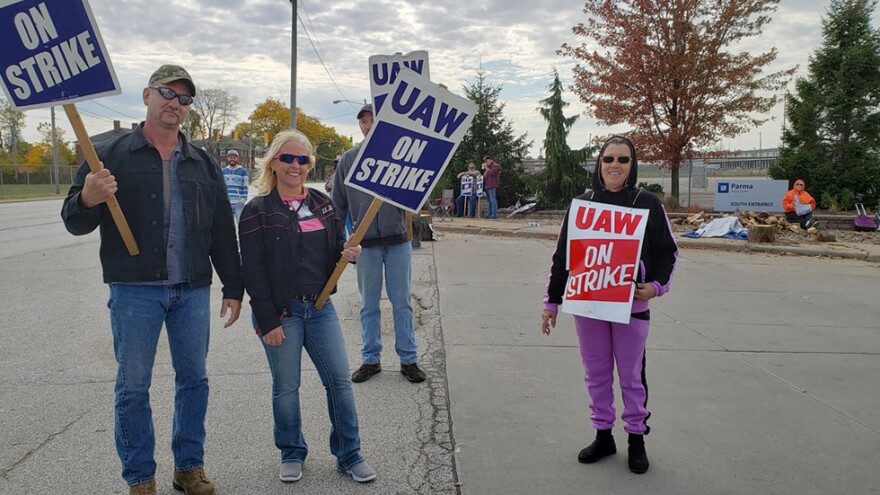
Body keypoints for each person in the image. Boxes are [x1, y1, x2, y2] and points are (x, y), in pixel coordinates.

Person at [61, 64, 242, 495]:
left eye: (184, 98)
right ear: (146, 96)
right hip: (134, 290)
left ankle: (189, 468)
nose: (175, 103)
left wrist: (233, 287)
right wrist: (88, 197)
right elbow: (73, 221)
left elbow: (220, 229)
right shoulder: (107, 155)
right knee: (133, 386)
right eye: (167, 93)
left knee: (194, 380)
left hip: (192, 289)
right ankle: (140, 478)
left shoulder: (202, 162)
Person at [239, 129, 376, 484]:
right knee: (286, 387)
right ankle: (291, 451)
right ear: (273, 163)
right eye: (288, 158)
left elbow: (333, 250)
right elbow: (252, 271)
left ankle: (349, 453)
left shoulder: (322, 203)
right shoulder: (257, 210)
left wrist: (347, 254)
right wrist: (268, 320)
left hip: (319, 308)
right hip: (281, 314)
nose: (295, 165)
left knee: (340, 383)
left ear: (310, 164)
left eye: (303, 159)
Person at [540, 135, 678, 475]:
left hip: (631, 307)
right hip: (588, 304)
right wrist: (551, 302)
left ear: (633, 166)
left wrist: (656, 287)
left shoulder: (648, 203)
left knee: (631, 377)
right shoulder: (580, 205)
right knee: (597, 375)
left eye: (623, 160)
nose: (615, 165)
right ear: (599, 164)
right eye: (608, 159)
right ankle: (604, 435)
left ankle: (636, 439)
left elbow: (667, 253)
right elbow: (563, 257)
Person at [331, 104, 426, 384]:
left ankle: (408, 360)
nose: (368, 126)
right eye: (364, 122)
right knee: (368, 304)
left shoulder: (400, 157)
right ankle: (370, 360)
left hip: (398, 241)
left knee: (402, 303)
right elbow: (338, 205)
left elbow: (418, 196)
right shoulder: (348, 160)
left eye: (373, 121)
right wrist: (341, 242)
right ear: (360, 127)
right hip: (366, 245)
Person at [222, 149, 248, 226]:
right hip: (227, 203)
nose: (232, 159)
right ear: (227, 158)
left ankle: (241, 238)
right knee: (227, 225)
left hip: (238, 203)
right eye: (230, 157)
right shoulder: (223, 171)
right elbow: (221, 187)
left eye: (234, 157)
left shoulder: (243, 171)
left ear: (237, 158)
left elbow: (245, 186)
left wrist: (243, 200)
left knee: (241, 224)